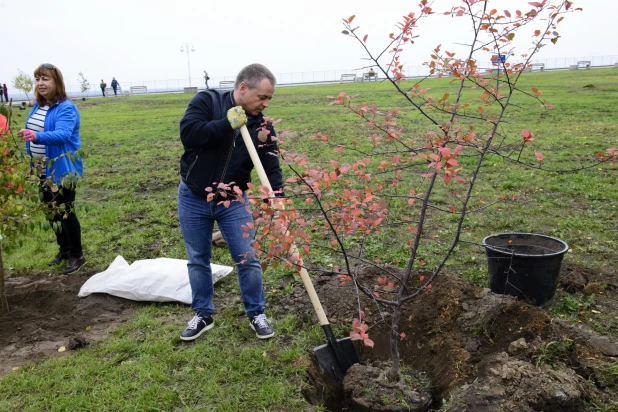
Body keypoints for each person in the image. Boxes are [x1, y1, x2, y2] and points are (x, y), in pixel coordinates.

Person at [178, 63, 283, 341]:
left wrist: (278, 195)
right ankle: (203, 314)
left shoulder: (262, 125)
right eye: (262, 97)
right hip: (193, 197)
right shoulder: (207, 101)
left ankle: (256, 313)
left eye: (269, 99)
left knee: (247, 257)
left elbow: (270, 165)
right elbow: (189, 135)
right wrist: (226, 124)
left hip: (234, 200)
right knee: (198, 258)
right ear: (243, 88)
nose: (266, 104)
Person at [17, 63, 86, 274]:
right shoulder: (38, 106)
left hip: (62, 169)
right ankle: (64, 249)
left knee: (65, 211)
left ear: (57, 82)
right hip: (41, 169)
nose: (40, 83)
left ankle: (77, 255)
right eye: (37, 79)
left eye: (45, 79)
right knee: (50, 211)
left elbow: (63, 134)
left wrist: (36, 136)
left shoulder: (66, 107)